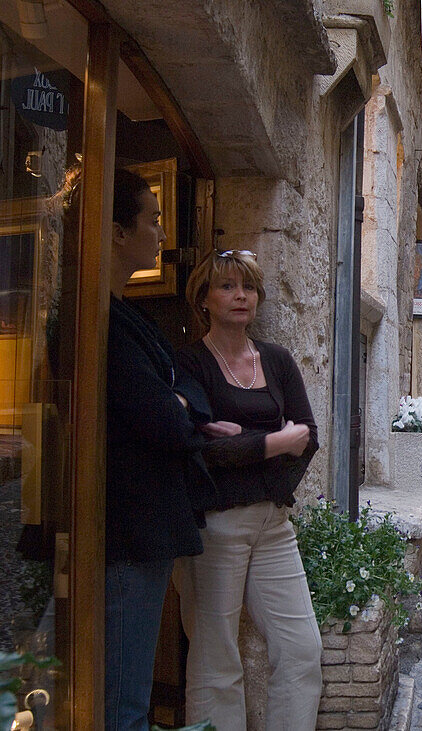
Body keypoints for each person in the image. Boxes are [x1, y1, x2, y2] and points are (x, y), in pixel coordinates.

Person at [175, 250, 322, 731]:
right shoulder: (190, 363)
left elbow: (310, 436)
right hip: (217, 525)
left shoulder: (276, 360)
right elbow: (201, 450)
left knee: (302, 649)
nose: (240, 296)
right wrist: (277, 441)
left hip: (273, 522)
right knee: (216, 658)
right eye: (226, 287)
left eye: (249, 288)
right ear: (203, 300)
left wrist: (248, 447)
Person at [105, 169, 216, 731]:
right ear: (118, 231)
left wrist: (177, 404)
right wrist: (177, 407)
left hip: (143, 529)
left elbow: (184, 399)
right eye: (152, 220)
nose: (160, 232)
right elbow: (166, 420)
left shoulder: (127, 313)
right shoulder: (101, 319)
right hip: (128, 528)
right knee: (123, 700)